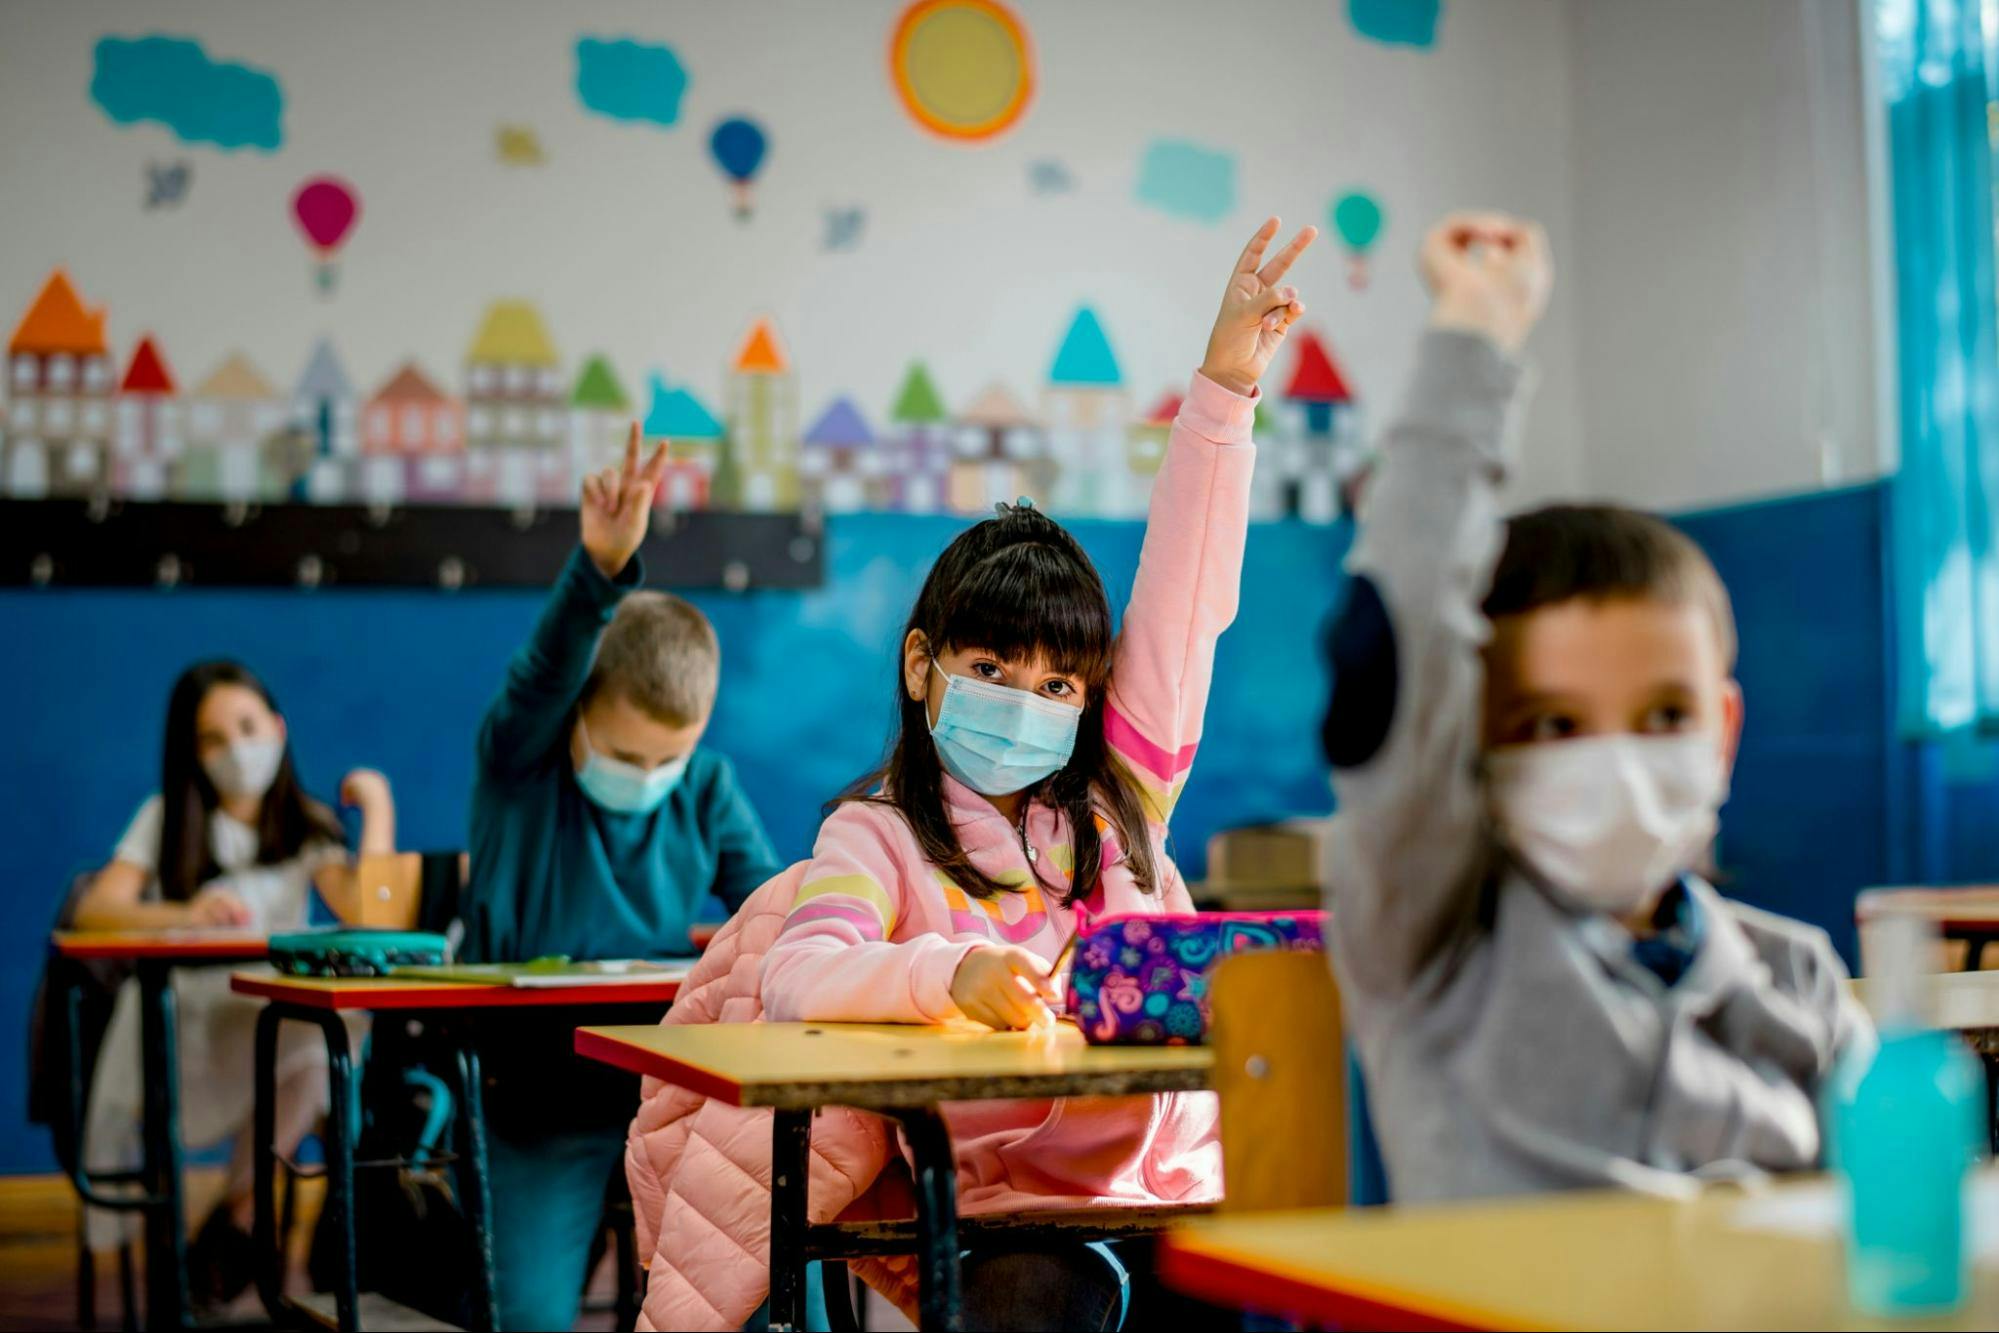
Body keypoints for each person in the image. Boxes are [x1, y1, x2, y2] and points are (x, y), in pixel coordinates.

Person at [746, 217, 1315, 1331]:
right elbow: (797, 977)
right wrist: (940, 976)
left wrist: (1224, 390)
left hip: (1176, 1187)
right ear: (922, 666)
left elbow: (1186, 601)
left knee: (1280, 1281)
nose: (1026, 701)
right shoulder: (876, 837)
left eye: (1059, 685)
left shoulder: (1118, 798)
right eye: (992, 667)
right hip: (1010, 1212)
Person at [1320, 211, 1874, 1203]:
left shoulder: (1800, 983)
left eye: (1664, 715)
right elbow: (1396, 636)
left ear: (1725, 732)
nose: (1615, 759)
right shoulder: (1437, 941)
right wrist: (1475, 336)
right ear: (1468, 745)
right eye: (1551, 724)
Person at [465, 432, 782, 1331]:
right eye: (623, 750)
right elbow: (540, 675)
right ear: (578, 714)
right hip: (535, 1098)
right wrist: (600, 569)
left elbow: (767, 905)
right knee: (525, 1316)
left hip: (671, 1092)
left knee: (746, 1289)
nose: (646, 775)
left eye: (666, 758)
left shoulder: (707, 785)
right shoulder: (520, 766)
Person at [74, 659, 393, 1307]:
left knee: (324, 1039)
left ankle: (239, 1211)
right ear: (191, 752)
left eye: (246, 727)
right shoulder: (165, 816)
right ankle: (244, 1223)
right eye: (212, 738)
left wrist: (379, 805)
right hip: (185, 1020)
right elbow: (95, 908)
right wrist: (182, 913)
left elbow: (368, 910)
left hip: (269, 1017)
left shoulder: (304, 824)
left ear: (277, 728)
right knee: (309, 1041)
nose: (236, 750)